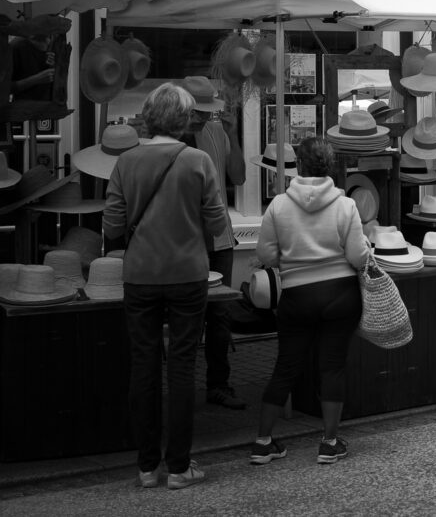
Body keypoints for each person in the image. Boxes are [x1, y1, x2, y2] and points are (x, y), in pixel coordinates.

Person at [103, 82, 226, 489]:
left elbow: (113, 225)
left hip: (139, 275)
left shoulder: (126, 162)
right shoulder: (198, 160)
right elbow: (217, 224)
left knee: (143, 365)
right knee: (183, 365)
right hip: (188, 273)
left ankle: (145, 467)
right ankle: (179, 467)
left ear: (150, 116)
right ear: (184, 119)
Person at [250, 136, 368, 466]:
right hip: (340, 295)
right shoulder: (346, 205)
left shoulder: (279, 205)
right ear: (329, 167)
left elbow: (265, 254)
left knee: (285, 366)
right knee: (332, 366)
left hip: (297, 296)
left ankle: (263, 442)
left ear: (298, 166)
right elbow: (358, 257)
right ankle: (329, 443)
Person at [180, 76, 247, 410]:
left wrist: (232, 134)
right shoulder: (168, 139)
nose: (203, 117)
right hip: (184, 241)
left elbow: (238, 178)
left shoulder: (216, 131)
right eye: (198, 111)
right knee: (186, 318)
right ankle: (181, 390)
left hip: (220, 238)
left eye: (207, 111)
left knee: (220, 316)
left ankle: (218, 384)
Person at [10, 34, 54, 100]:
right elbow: (5, 89)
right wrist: (36, 79)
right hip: (23, 108)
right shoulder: (17, 45)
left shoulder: (57, 42)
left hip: (52, 108)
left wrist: (58, 66)